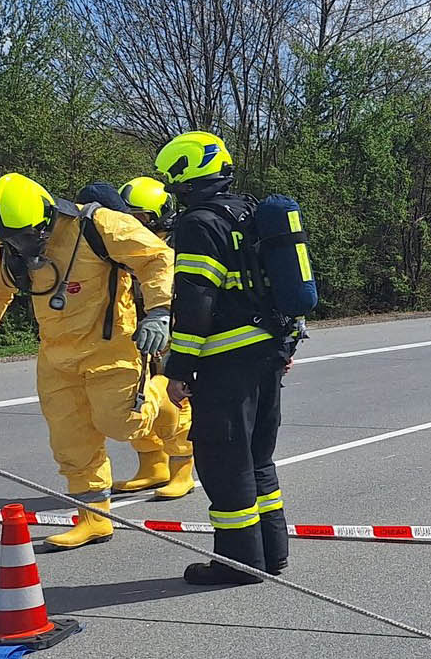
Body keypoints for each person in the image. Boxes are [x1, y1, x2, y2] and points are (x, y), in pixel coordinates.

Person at [0, 173, 184, 548]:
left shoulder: (96, 225)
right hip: (56, 355)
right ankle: (94, 519)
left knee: (123, 423)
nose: (20, 245)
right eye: (10, 239)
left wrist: (158, 313)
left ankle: (165, 399)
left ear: (45, 216)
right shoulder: (7, 249)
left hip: (111, 347)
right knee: (70, 439)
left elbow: (155, 257)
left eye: (25, 236)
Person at [155, 132, 292, 586]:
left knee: (224, 463)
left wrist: (178, 368)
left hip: (226, 361)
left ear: (188, 177)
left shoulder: (199, 224)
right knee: (258, 458)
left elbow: (196, 300)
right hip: (267, 352)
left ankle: (238, 564)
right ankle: (271, 553)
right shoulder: (249, 212)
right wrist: (285, 346)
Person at [109, 176, 195, 499]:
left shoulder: (176, 249)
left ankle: (182, 470)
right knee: (136, 399)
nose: (133, 224)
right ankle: (151, 466)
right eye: (128, 217)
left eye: (141, 217)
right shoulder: (121, 247)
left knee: (175, 400)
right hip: (135, 334)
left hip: (172, 335)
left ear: (161, 216)